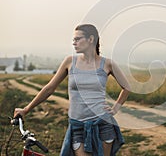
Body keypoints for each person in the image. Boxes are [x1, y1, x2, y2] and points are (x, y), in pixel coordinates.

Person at [14, 24, 130, 156]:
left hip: (102, 123)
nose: (73, 43)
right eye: (73, 40)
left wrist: (115, 108)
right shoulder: (70, 62)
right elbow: (49, 88)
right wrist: (26, 109)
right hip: (77, 126)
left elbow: (126, 87)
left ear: (91, 39)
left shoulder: (107, 64)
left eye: (77, 39)